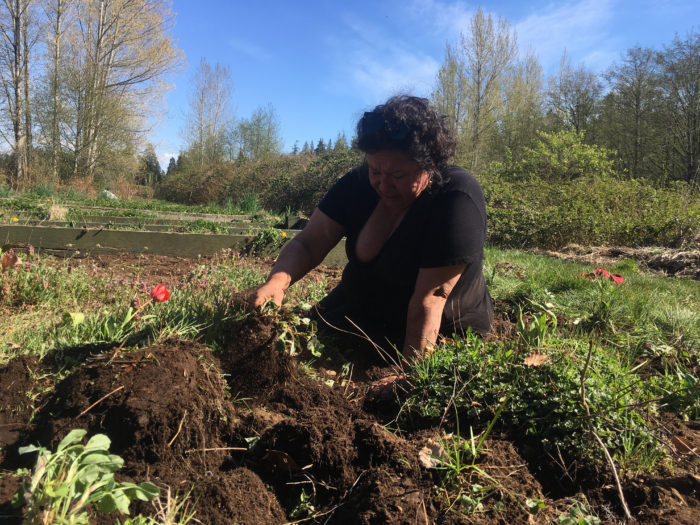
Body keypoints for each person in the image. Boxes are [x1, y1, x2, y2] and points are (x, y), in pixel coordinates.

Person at [250, 95, 492, 365]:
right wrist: (276, 283)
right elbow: (310, 242)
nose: (383, 185)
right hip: (362, 308)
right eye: (375, 170)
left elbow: (431, 298)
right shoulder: (356, 184)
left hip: (439, 329)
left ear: (430, 166)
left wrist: (407, 376)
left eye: (398, 176)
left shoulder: (456, 197)